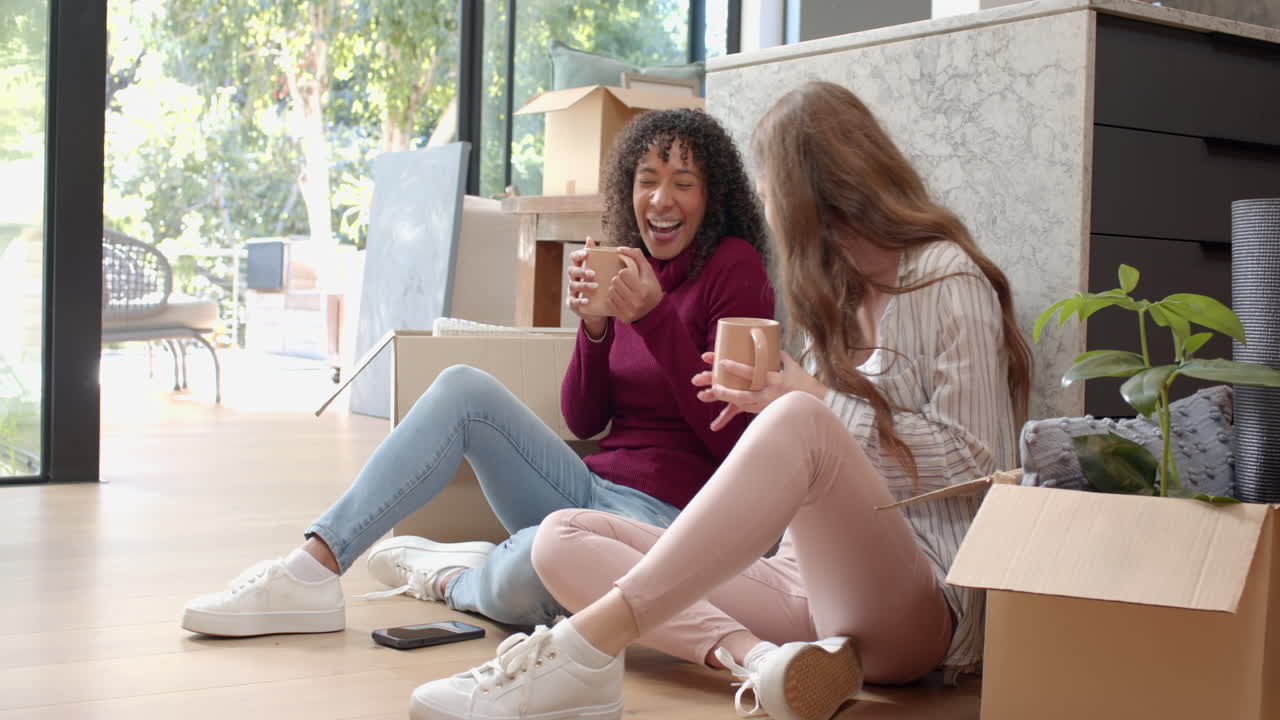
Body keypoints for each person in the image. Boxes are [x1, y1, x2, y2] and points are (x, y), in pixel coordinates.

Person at [406, 80, 1033, 720]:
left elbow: (980, 465)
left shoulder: (949, 279)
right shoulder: (834, 299)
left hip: (921, 609)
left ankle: (580, 649)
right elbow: (589, 416)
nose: (762, 200)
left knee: (800, 416)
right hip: (803, 590)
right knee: (559, 539)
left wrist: (812, 402)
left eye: (769, 184)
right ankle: (759, 662)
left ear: (815, 189)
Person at [180, 108, 774, 636]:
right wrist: (594, 330)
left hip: (662, 524)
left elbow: (736, 445)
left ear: (712, 197)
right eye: (647, 181)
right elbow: (585, 418)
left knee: (522, 572)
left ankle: (453, 575)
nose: (660, 200)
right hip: (584, 491)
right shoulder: (628, 267)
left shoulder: (734, 269)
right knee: (462, 387)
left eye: (683, 184)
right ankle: (311, 567)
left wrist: (652, 318)